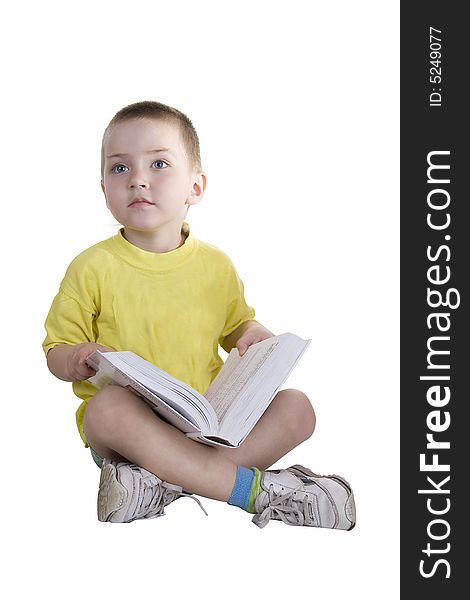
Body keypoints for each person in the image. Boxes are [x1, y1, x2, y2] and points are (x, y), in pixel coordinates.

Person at [43, 101, 356, 529]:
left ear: (196, 186)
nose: (138, 179)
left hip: (208, 426)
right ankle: (256, 491)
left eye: (158, 163)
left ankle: (156, 484)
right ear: (103, 189)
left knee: (298, 408)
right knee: (107, 409)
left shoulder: (216, 266)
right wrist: (75, 356)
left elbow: (237, 327)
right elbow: (56, 351)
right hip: (132, 432)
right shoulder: (91, 267)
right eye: (119, 169)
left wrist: (254, 335)